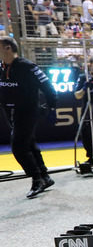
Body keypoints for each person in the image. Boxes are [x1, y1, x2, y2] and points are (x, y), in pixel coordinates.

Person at [0, 37, 58, 199]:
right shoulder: (2, 67)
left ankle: (37, 179)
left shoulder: (27, 66)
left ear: (8, 48)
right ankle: (45, 176)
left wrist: (52, 107)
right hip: (10, 113)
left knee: (18, 147)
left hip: (28, 111)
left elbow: (47, 86)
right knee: (29, 144)